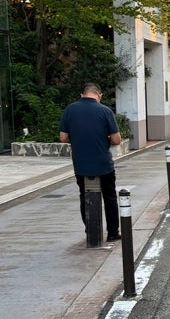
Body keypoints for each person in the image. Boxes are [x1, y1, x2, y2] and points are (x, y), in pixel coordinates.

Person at [59, 83, 122, 242]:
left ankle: (90, 230)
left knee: (84, 196)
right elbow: (116, 139)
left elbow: (63, 138)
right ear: (99, 95)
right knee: (109, 197)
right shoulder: (105, 111)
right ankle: (113, 233)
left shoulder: (70, 109)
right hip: (103, 164)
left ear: (82, 94)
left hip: (81, 164)